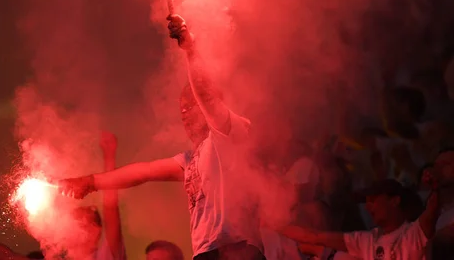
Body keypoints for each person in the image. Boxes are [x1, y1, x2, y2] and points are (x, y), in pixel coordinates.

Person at [56, 14, 263, 259]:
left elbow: (206, 95)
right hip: (206, 253)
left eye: (190, 106)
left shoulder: (229, 132)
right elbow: (144, 172)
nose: (184, 114)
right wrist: (90, 182)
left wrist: (190, 49)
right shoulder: (189, 160)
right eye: (181, 109)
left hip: (237, 248)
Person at [0, 132, 126, 260]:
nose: (70, 220)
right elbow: (7, 257)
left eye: (80, 217)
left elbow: (111, 208)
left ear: (94, 230)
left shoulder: (108, 255)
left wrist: (109, 156)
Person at [274, 178, 441, 260]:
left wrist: (436, 183)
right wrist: (272, 223)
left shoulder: (414, 234)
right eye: (366, 203)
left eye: (373, 200)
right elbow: (314, 237)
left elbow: (434, 208)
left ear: (394, 200)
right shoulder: (365, 240)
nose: (368, 207)